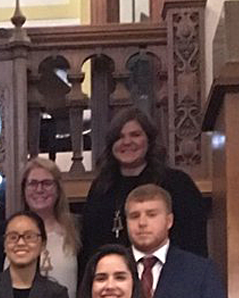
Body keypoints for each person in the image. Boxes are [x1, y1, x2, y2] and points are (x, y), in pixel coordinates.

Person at [81, 106, 207, 266]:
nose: (127, 142)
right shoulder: (101, 188)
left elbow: (193, 244)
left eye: (135, 135)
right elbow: (90, 247)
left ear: (149, 140)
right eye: (119, 137)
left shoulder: (177, 184)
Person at [19, 157, 81, 298]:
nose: (39, 189)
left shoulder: (78, 230)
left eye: (47, 183)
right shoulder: (5, 233)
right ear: (24, 190)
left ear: (58, 189)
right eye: (33, 183)